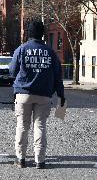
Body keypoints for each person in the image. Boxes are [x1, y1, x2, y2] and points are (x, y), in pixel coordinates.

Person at [9, 20, 65, 169]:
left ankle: (20, 158)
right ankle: (40, 160)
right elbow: (58, 77)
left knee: (22, 125)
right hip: (44, 95)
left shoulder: (21, 49)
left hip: (23, 93)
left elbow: (12, 71)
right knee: (40, 126)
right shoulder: (50, 52)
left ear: (28, 33)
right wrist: (61, 95)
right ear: (43, 34)